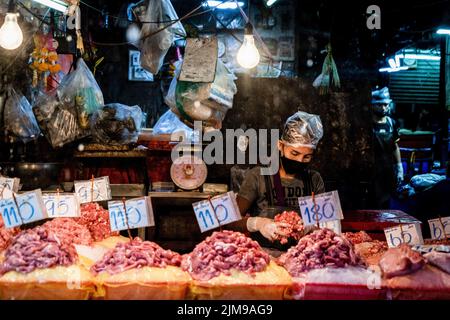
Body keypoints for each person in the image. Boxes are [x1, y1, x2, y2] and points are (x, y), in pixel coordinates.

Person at [227, 111, 325, 242]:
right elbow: (231, 221)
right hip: (265, 257)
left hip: (302, 256)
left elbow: (324, 223)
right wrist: (258, 223)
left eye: (306, 156)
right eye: (294, 153)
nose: (300, 161)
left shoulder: (314, 179)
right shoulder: (258, 176)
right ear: (280, 145)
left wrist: (312, 228)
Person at [371, 87, 404, 208]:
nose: (383, 108)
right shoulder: (367, 124)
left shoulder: (391, 123)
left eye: (385, 105)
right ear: (373, 105)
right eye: (379, 105)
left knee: (386, 204)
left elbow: (395, 146)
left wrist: (399, 168)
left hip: (387, 170)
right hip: (372, 170)